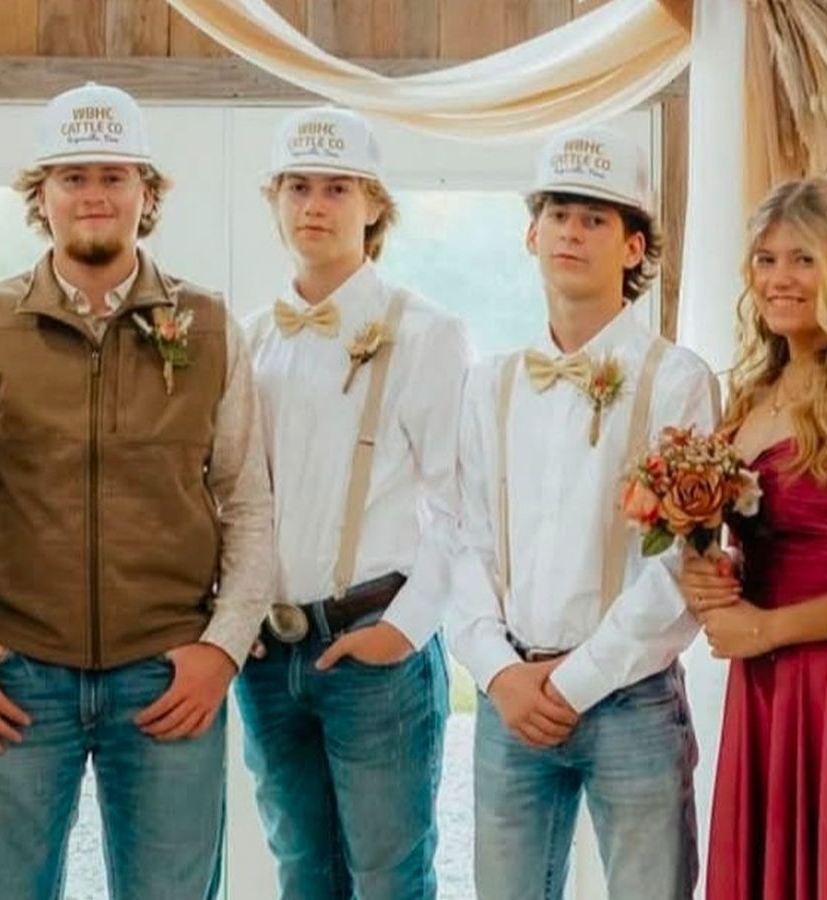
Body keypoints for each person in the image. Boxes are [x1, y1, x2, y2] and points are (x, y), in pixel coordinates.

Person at [0, 81, 273, 900]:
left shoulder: (210, 327)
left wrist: (221, 650)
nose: (93, 195)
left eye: (114, 175)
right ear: (40, 195)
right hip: (15, 675)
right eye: (72, 176)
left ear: (147, 192)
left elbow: (248, 501)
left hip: (168, 676)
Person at [446, 124, 719, 899]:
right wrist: (500, 672)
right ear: (532, 234)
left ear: (633, 248)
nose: (571, 231)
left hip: (632, 701)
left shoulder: (679, 380)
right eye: (558, 214)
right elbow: (462, 541)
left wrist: (578, 681)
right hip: (511, 699)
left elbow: (684, 564)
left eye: (595, 219)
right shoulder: (490, 383)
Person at [236, 105, 468, 900]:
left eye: (337, 188)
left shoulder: (428, 334)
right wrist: (235, 613)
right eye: (297, 187)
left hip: (376, 646)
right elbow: (231, 496)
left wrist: (405, 629)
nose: (315, 205)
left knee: (388, 881)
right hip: (268, 657)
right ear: (274, 201)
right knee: (302, 875)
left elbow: (458, 505)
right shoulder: (249, 339)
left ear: (373, 206)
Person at [678, 176, 827, 900]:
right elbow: (751, 534)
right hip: (764, 685)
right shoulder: (752, 393)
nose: (779, 279)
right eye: (765, 260)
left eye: (803, 259)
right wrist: (711, 570)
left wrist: (765, 628)